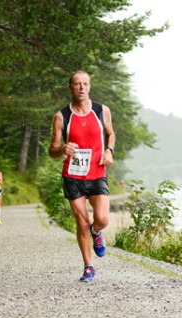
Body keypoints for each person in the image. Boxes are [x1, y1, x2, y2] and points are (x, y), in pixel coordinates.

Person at [48, 70, 115, 282]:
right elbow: (52, 150)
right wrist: (62, 149)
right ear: (70, 88)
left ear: (90, 87)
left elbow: (110, 134)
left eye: (85, 84)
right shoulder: (61, 116)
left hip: (97, 172)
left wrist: (109, 151)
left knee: (102, 219)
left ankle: (98, 232)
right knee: (82, 222)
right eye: (77, 84)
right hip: (73, 175)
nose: (81, 88)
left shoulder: (102, 110)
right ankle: (88, 266)